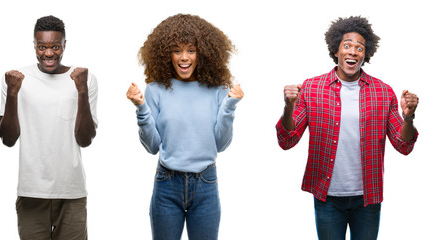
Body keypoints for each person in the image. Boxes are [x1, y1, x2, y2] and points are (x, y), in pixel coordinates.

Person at [276, 16, 418, 240]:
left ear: (365, 54)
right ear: (336, 51)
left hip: (367, 198)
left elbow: (404, 146)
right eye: (347, 46)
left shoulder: (383, 92)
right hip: (327, 197)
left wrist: (408, 118)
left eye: (359, 48)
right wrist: (288, 107)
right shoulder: (312, 88)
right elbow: (287, 140)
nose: (353, 52)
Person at [126, 14, 243, 240]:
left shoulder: (218, 89)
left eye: (191, 50)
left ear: (203, 52)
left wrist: (229, 106)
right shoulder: (155, 90)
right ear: (165, 54)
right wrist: (141, 107)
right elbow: (152, 147)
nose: (184, 58)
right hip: (166, 185)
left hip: (206, 184)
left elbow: (220, 145)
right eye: (177, 50)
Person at [0, 15, 98, 240]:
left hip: (72, 192)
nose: (49, 53)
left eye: (55, 46)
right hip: (31, 191)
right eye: (42, 47)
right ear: (34, 45)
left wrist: (81, 91)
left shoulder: (84, 79)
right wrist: (12, 93)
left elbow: (85, 139)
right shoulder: (16, 79)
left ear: (64, 45)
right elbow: (8, 139)